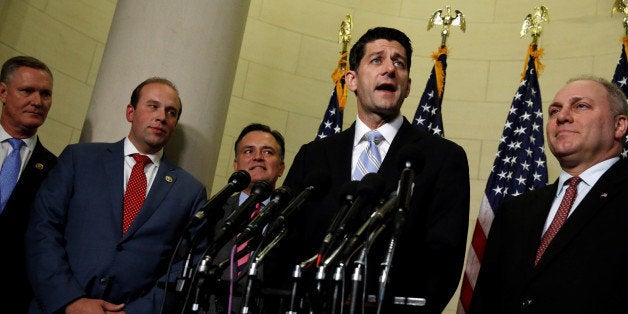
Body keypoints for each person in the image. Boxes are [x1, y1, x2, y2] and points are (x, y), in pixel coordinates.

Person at [266, 26, 470, 313]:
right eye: (376, 60)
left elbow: (442, 264)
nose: (389, 69)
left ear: (408, 85)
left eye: (399, 62)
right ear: (351, 80)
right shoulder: (313, 156)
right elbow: (282, 246)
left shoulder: (443, 158)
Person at [25, 77, 208, 314]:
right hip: (57, 307)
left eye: (171, 112)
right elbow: (43, 230)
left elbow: (184, 266)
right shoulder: (79, 160)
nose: (162, 116)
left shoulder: (190, 191)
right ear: (130, 112)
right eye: (153, 106)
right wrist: (70, 301)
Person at [469, 76, 628, 313]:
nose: (561, 117)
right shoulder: (515, 210)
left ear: (619, 125)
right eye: (554, 111)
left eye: (580, 106)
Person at [0, 56, 57, 312]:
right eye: (27, 91)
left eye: (45, 94)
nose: (37, 101)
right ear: (3, 92)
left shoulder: (57, 170)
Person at [209, 123, 286, 313]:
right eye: (248, 151)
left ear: (281, 168)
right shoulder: (214, 210)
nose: (258, 157)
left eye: (268, 152)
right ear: (236, 165)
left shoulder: (293, 215)